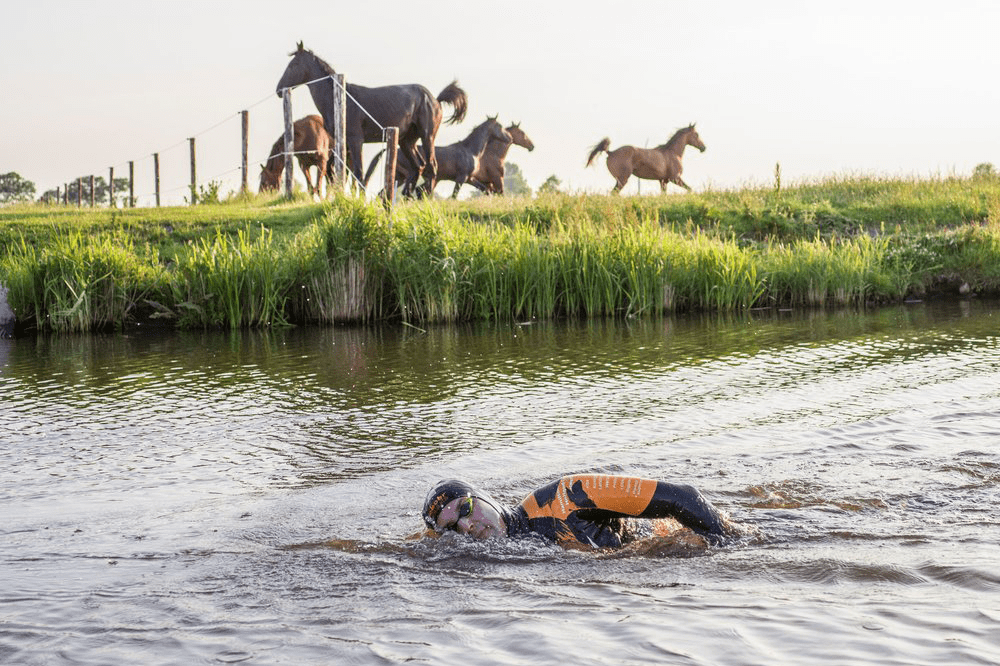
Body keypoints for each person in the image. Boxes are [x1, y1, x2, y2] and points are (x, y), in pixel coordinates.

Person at [422, 474, 733, 550]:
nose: (467, 526)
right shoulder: (495, 555)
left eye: (466, 509)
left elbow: (684, 498)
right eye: (451, 527)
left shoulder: (564, 497)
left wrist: (731, 544)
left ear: (484, 497)